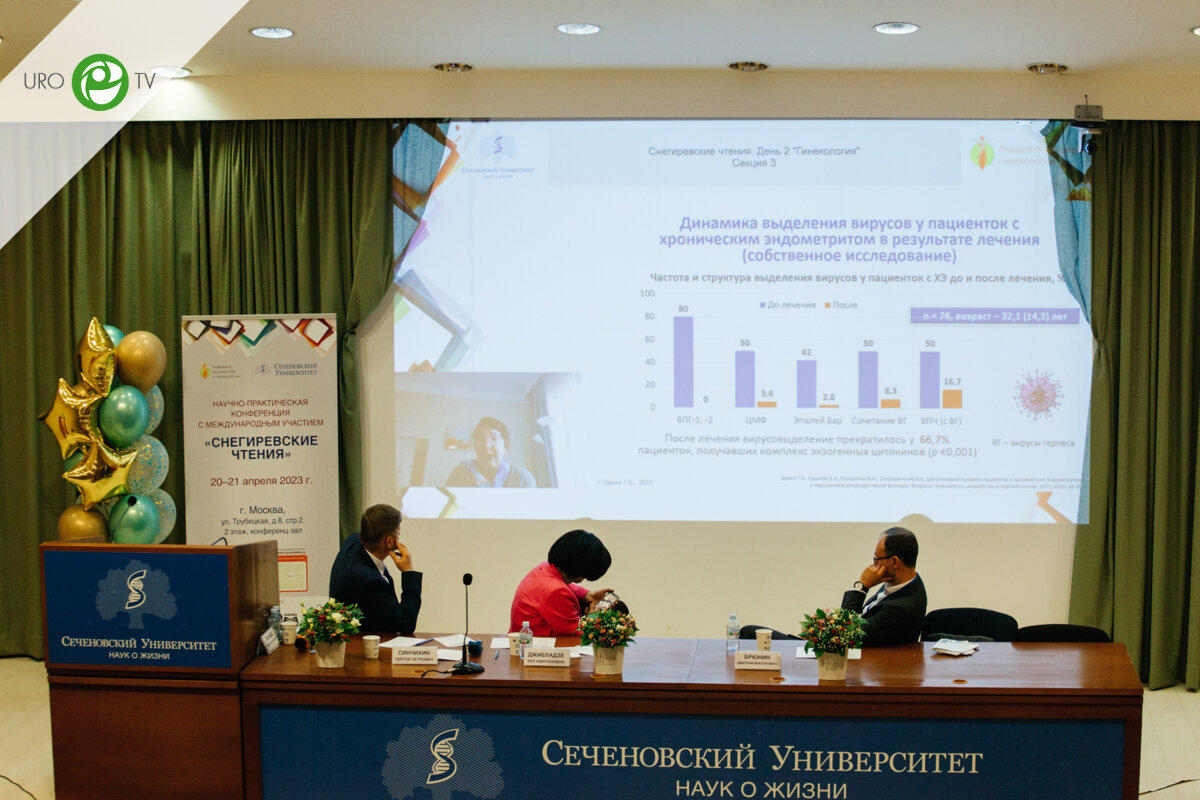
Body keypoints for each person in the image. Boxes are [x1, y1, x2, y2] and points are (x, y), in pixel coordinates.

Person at [329, 504, 422, 634]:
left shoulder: (352, 540)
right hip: (362, 641)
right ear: (389, 541)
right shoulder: (369, 581)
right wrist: (408, 571)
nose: (399, 535)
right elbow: (406, 623)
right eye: (398, 532)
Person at [510, 529, 613, 636]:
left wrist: (587, 594)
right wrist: (593, 618)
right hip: (537, 644)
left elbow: (563, 586)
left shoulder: (544, 568)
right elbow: (577, 634)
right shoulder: (557, 592)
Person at [841, 526, 927, 646]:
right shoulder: (903, 581)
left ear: (894, 562)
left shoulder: (899, 610)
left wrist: (861, 586)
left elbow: (845, 632)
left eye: (877, 559)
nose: (874, 565)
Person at [446, 416, 537, 487]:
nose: (486, 445)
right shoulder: (460, 473)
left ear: (505, 446)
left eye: (494, 438)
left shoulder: (523, 479)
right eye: (480, 439)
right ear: (475, 446)